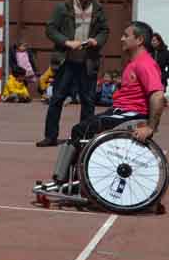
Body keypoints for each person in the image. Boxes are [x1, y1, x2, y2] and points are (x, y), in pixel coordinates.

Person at [47, 22, 165, 184]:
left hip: (131, 114)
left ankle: (70, 181)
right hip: (121, 111)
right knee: (82, 129)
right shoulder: (134, 63)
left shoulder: (145, 64)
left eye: (126, 35)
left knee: (81, 130)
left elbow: (158, 96)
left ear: (139, 40)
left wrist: (150, 127)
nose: (122, 39)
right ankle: (69, 178)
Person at [38, 0, 109, 147]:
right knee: (57, 99)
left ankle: (84, 137)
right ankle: (50, 136)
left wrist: (96, 41)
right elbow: (50, 29)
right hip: (66, 61)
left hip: (88, 61)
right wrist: (66, 42)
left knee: (88, 101)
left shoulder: (98, 8)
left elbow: (105, 30)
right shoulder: (62, 7)